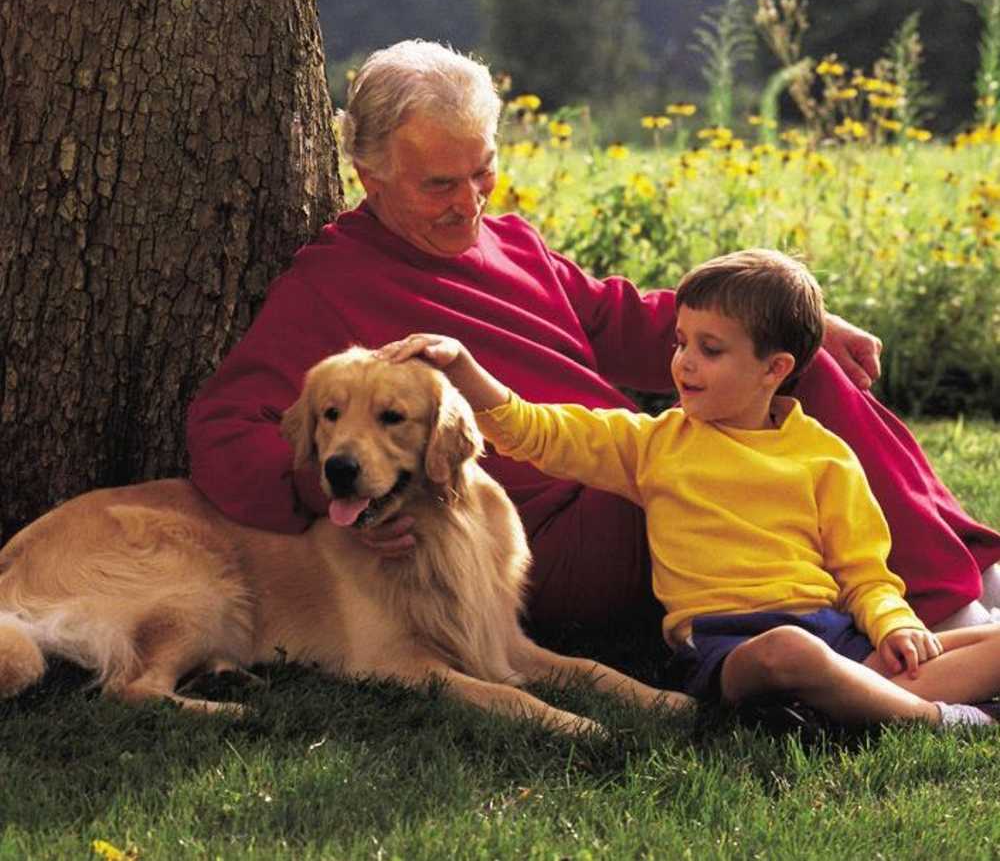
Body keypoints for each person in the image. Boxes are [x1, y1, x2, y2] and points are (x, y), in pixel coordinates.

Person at [186, 38, 1000, 630]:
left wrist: (796, 325)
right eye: (440, 184)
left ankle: (965, 580)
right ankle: (944, 617)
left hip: (627, 464)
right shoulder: (329, 283)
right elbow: (224, 427)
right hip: (549, 537)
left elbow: (623, 319)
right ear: (369, 175)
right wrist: (335, 495)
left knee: (787, 369)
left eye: (483, 171)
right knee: (705, 466)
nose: (468, 203)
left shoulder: (511, 240)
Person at [376, 250, 1000, 727]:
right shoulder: (653, 444)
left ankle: (864, 694)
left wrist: (893, 626)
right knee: (790, 652)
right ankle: (943, 717)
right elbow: (532, 429)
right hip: (729, 647)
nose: (683, 363)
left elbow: (864, 570)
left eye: (709, 349)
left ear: (775, 369)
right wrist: (463, 368)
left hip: (832, 630)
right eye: (680, 343)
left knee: (964, 644)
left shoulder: (825, 456)